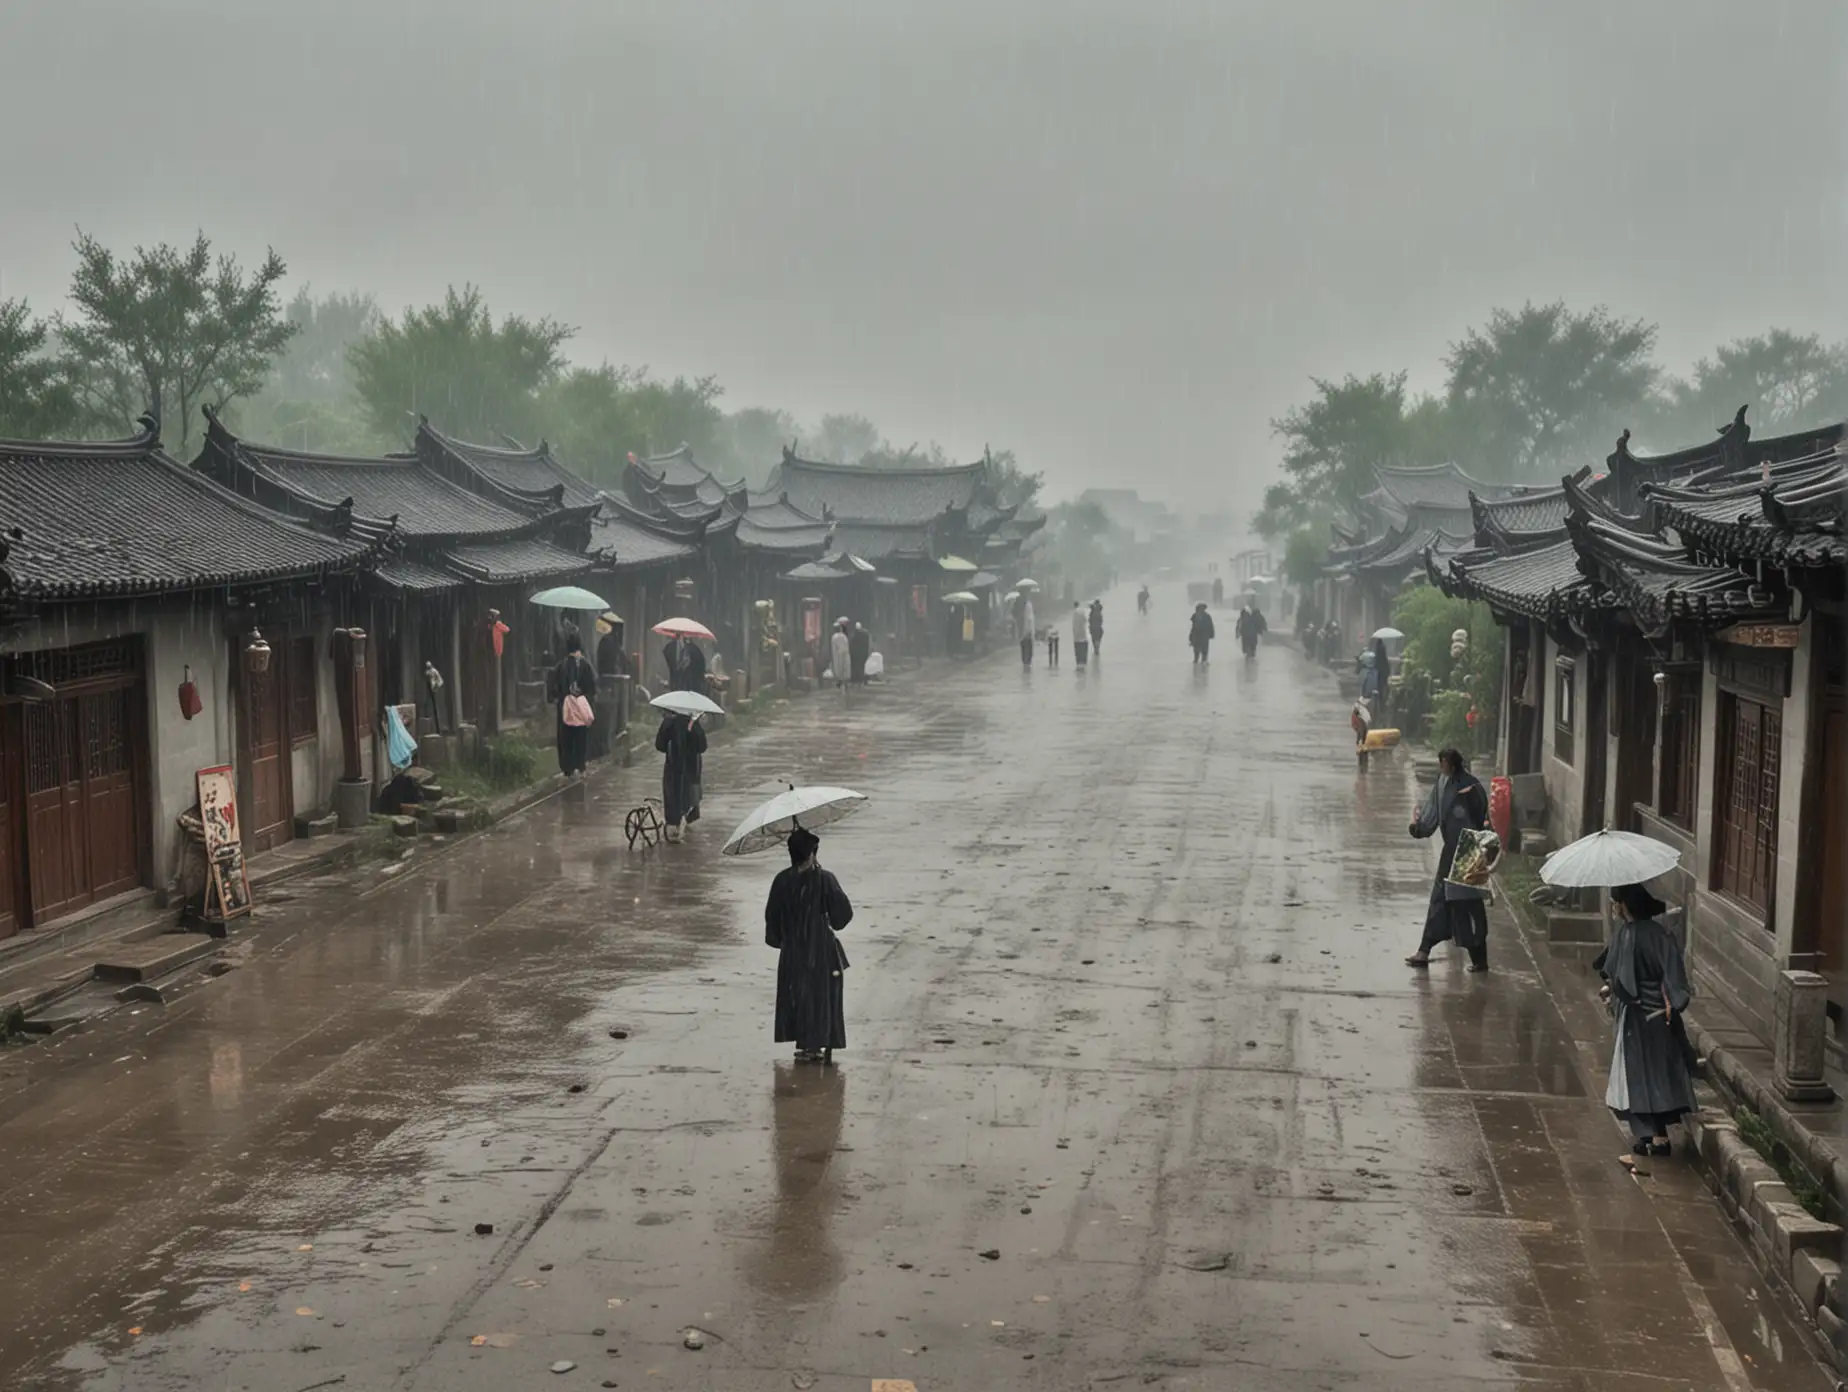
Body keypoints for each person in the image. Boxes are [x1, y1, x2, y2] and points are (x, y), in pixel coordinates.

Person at [1594, 883, 1695, 1159]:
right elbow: (1674, 978)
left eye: (1616, 903)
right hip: (1661, 1015)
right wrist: (1672, 1005)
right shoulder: (1662, 933)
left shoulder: (1628, 935)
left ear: (1624, 905)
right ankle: (1660, 1137)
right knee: (1660, 1074)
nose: (1615, 908)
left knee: (1637, 1077)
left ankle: (1648, 1135)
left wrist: (1611, 988)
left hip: (1636, 1017)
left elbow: (1620, 978)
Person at [765, 826, 854, 1064]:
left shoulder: (782, 880)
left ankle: (806, 1043)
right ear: (812, 853)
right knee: (821, 997)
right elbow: (842, 917)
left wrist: (782, 940)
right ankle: (816, 1044)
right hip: (820, 949)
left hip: (793, 949)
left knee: (799, 996)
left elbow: (771, 918)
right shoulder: (825, 879)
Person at [1403, 748, 1490, 971]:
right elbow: (1432, 811)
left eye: (1442, 763)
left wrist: (1483, 848)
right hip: (1450, 852)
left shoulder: (1472, 787)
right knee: (1439, 900)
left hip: (1469, 852)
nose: (1440, 767)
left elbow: (1483, 819)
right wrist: (1419, 828)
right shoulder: (1442, 783)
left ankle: (1480, 959)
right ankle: (1424, 950)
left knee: (1469, 905)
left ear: (1451, 765)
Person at [654, 710, 707, 841]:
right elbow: (702, 747)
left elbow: (659, 745)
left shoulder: (667, 722)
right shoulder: (693, 723)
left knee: (673, 793)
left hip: (673, 765)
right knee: (689, 795)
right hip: (691, 767)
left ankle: (675, 823)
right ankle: (685, 819)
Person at [550, 637, 597, 777]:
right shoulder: (586, 665)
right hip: (581, 707)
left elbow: (553, 686)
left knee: (565, 736)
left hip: (565, 706)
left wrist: (560, 697)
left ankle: (567, 767)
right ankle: (580, 764)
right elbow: (592, 687)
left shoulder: (561, 666)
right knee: (581, 735)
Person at [1359, 650, 1385, 724]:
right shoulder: (1376, 672)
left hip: (1367, 695)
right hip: (1373, 695)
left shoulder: (1364, 672)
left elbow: (1361, 684)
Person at [1370, 637, 1392, 718]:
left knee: (1380, 688)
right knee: (1384, 687)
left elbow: (1376, 661)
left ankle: (1381, 706)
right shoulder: (1383, 648)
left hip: (1379, 672)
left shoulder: (1378, 649)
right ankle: (1383, 705)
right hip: (1384, 671)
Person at [1351, 696, 1373, 770]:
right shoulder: (1360, 711)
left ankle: (1362, 751)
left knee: (1362, 739)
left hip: (1362, 726)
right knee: (1361, 738)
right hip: (1361, 726)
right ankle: (1362, 751)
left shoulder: (1361, 711)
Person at [830, 619, 852, 688]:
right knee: (844, 667)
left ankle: (839, 681)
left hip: (837, 654)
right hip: (844, 654)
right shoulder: (843, 636)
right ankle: (844, 682)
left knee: (838, 668)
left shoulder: (834, 637)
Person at [1018, 595, 1036, 667]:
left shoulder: (1026, 607)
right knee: (1027, 647)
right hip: (1026, 632)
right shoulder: (1027, 607)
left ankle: (1026, 662)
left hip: (1025, 632)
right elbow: (1029, 620)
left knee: (1025, 647)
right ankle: (1027, 662)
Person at [1071, 602, 1089, 666]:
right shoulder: (1082, 611)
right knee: (1083, 656)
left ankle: (1079, 664)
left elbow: (1075, 625)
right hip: (1084, 637)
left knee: (1078, 654)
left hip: (1077, 638)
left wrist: (1075, 633)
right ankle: (1083, 663)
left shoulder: (1075, 613)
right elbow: (1085, 620)